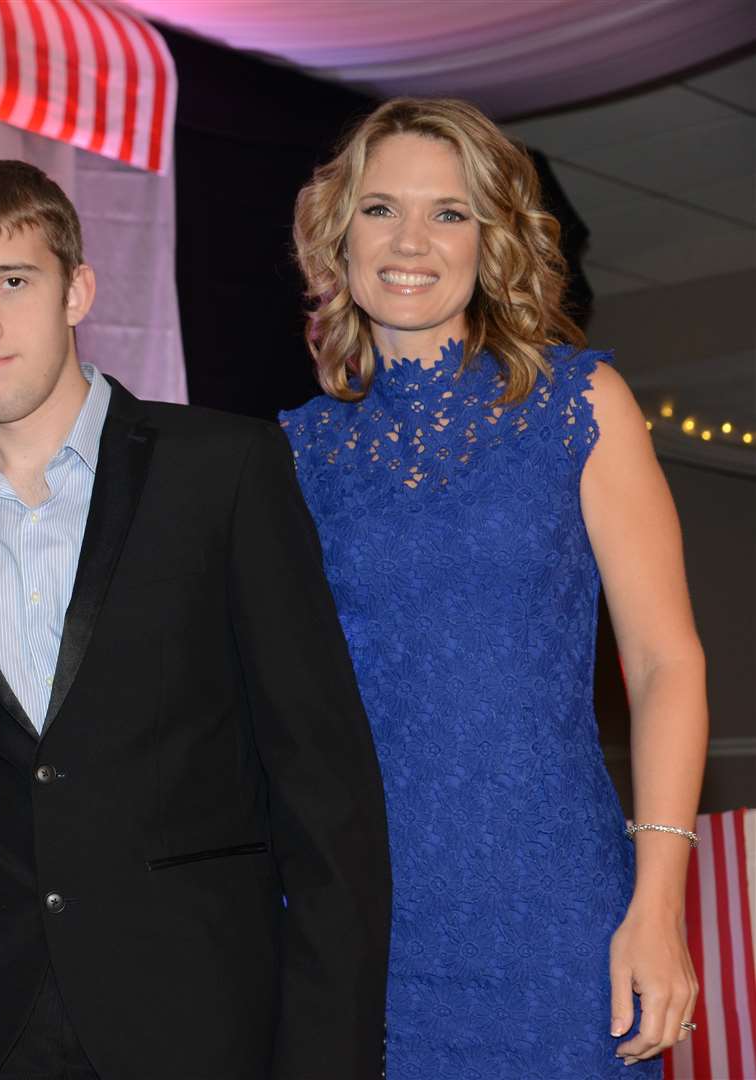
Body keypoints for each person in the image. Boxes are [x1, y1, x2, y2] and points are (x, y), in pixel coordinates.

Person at [0, 160, 391, 1080]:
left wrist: (328, 1057)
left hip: (197, 1022)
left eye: (13, 282)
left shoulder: (224, 471)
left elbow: (325, 791)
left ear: (79, 291)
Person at [282, 97, 706, 1077]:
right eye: (382, 209)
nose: (412, 241)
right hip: (359, 935)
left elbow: (665, 660)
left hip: (558, 930)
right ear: (340, 235)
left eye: (450, 213)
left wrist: (659, 902)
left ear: (493, 238)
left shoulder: (576, 403)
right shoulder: (296, 454)